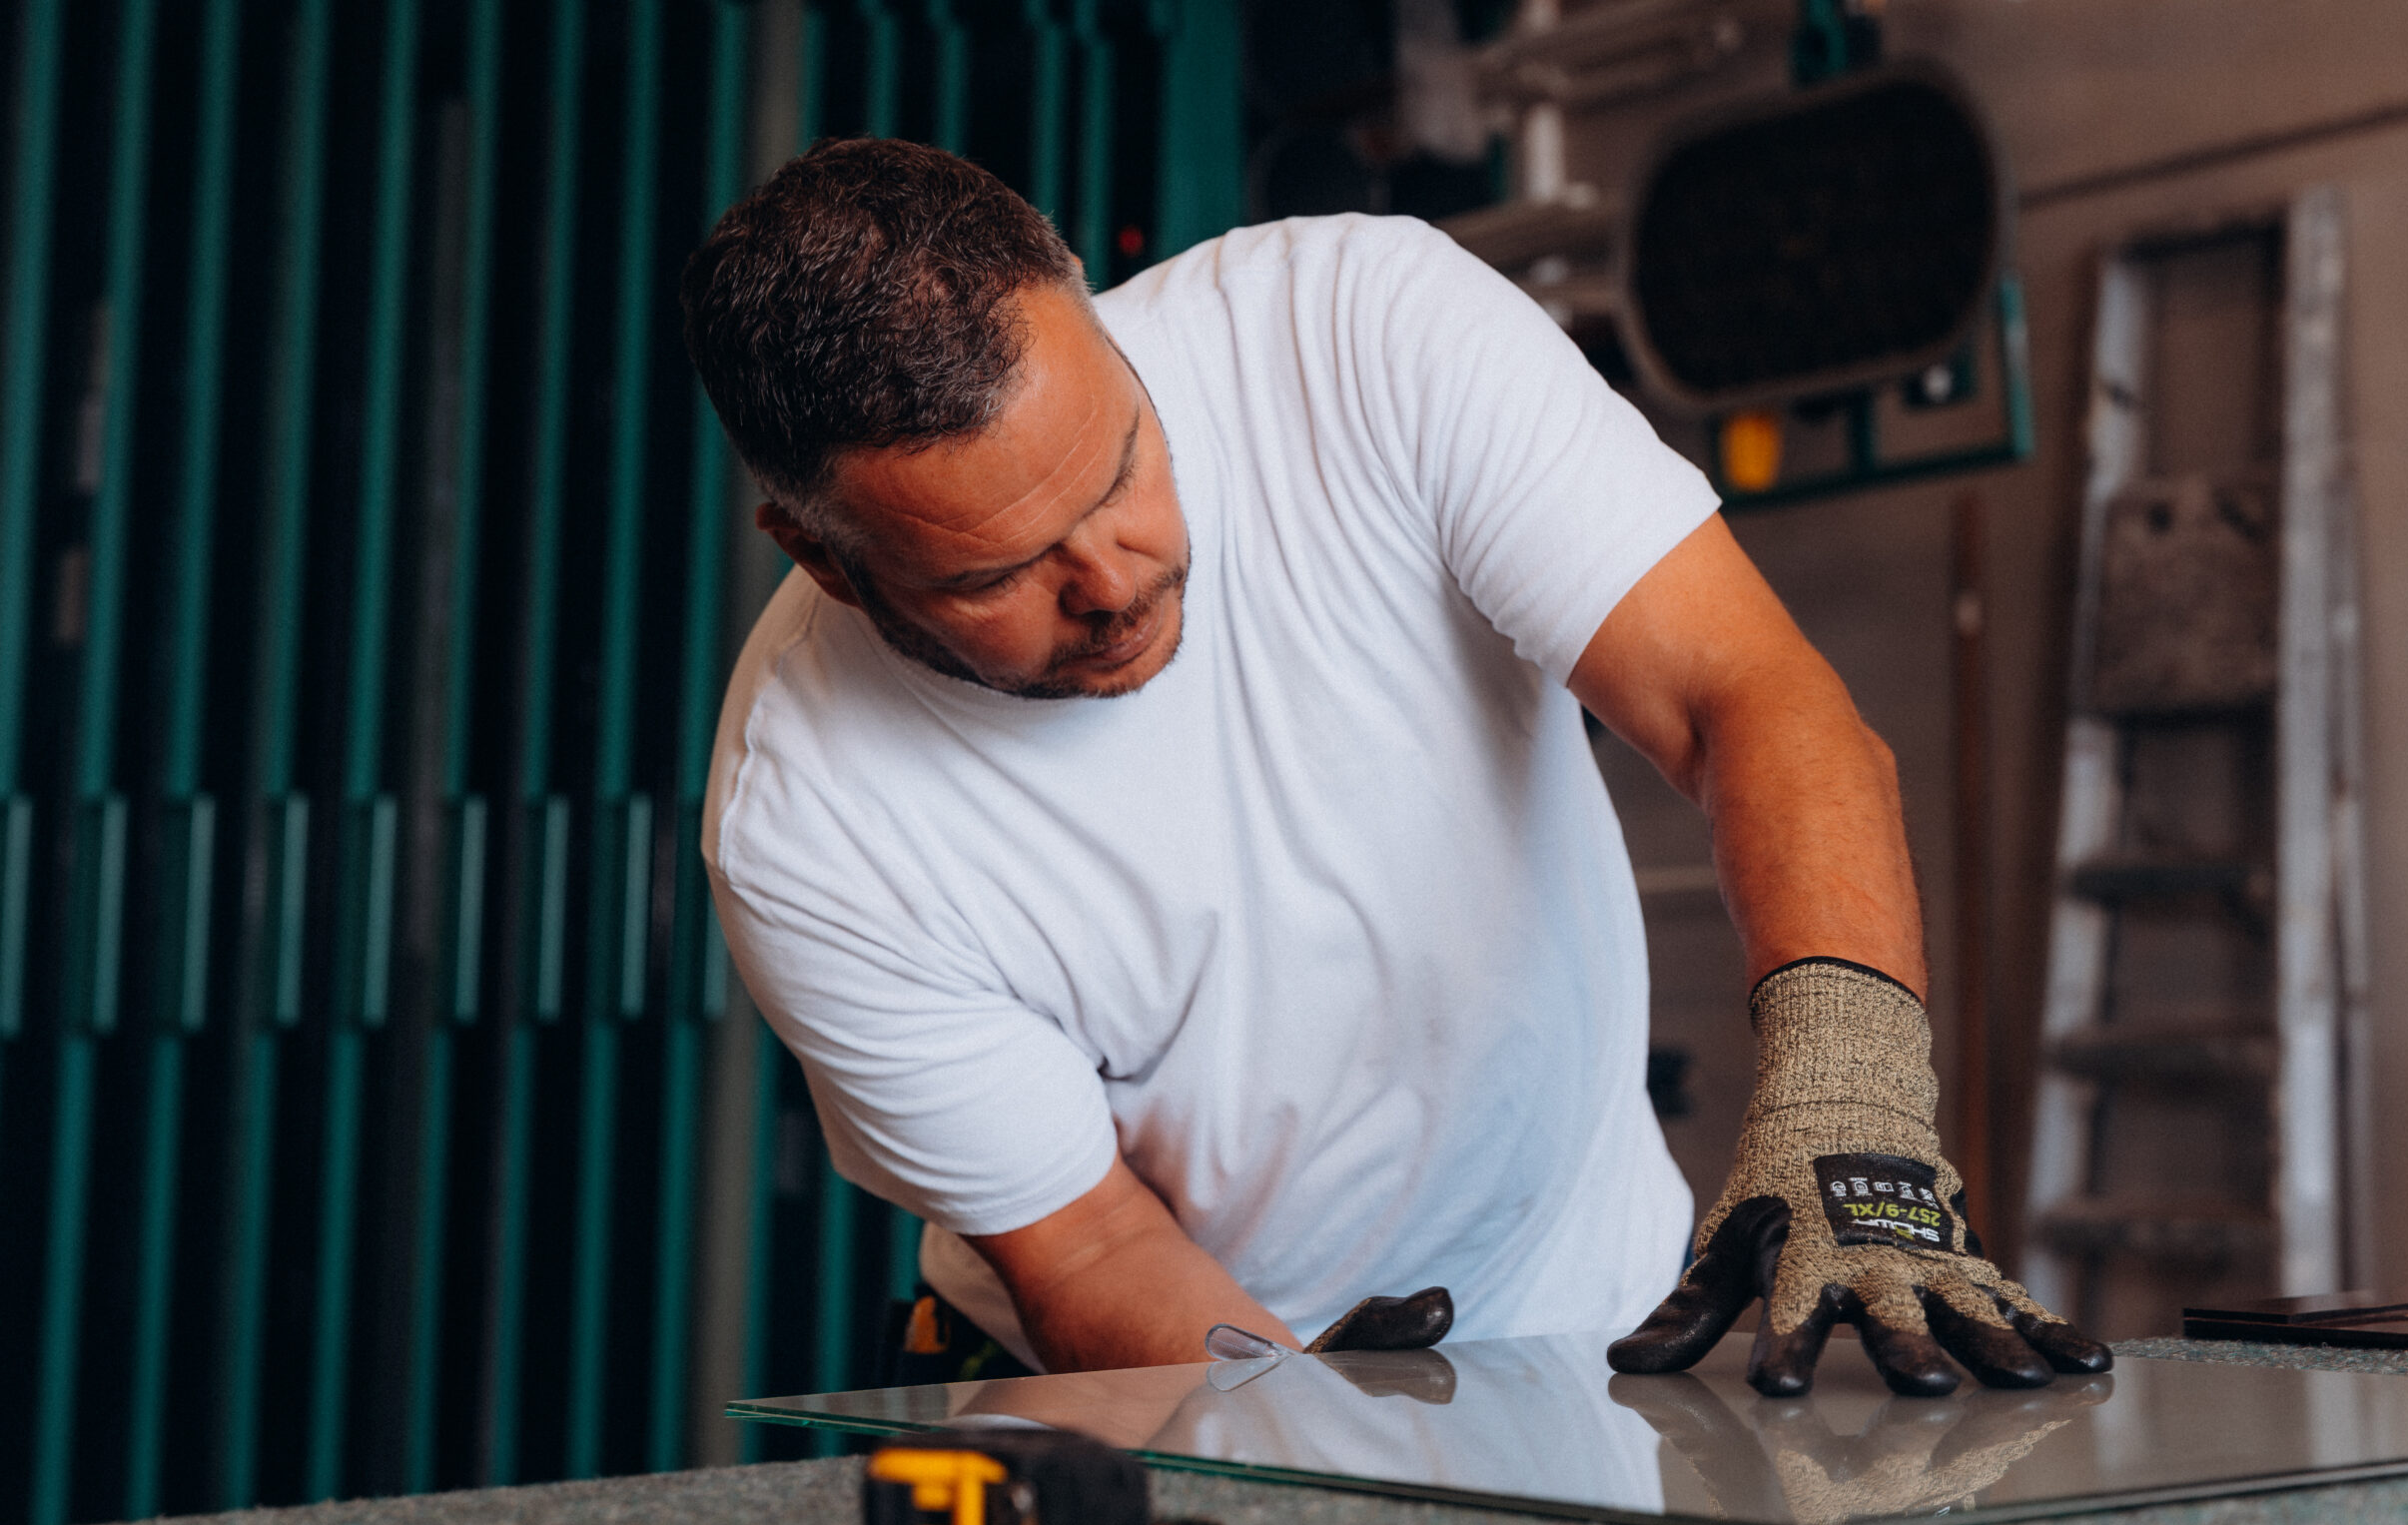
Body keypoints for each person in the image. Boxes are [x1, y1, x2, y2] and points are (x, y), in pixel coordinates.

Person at [682, 138, 2107, 1397]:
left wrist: (1850, 1105)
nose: (1115, 578)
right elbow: (1092, 1242)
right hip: (1186, 1378)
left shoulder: (1358, 331)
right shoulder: (809, 821)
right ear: (829, 562)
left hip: (1604, 1327)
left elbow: (1748, 698)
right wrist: (1322, 1443)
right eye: (1004, 570)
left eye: (1121, 465)